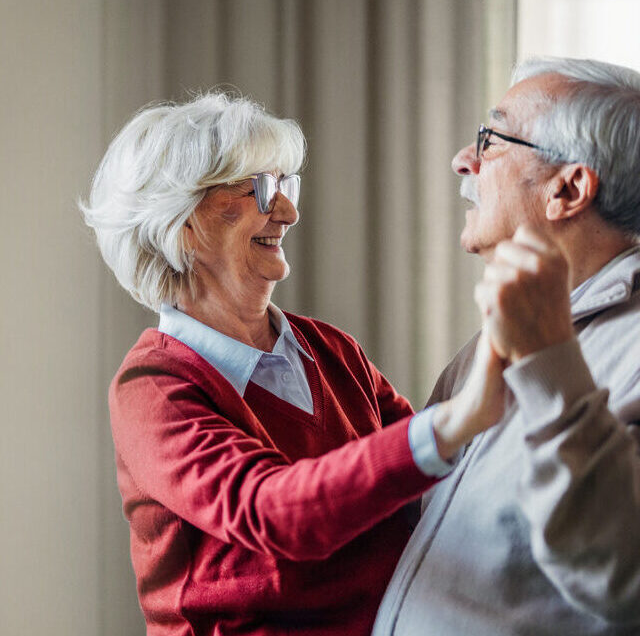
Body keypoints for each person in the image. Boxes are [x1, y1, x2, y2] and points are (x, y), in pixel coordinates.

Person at [80, 92, 504, 636]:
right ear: (183, 224)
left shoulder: (330, 350)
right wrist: (457, 419)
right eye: (259, 188)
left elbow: (434, 486)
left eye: (285, 185)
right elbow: (274, 512)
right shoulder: (154, 387)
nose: (288, 210)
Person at [374, 57, 640, 635]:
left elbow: (632, 575)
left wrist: (550, 367)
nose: (463, 160)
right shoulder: (487, 348)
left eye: (491, 138)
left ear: (568, 188)